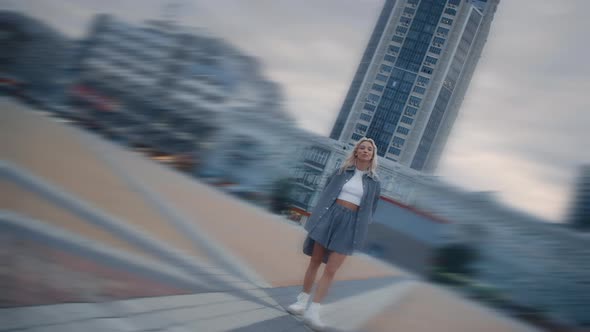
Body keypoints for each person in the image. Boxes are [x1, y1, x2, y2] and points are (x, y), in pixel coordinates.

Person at [287, 137, 381, 330]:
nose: (365, 151)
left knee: (331, 269)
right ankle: (301, 302)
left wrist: (360, 223)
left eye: (369, 149)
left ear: (372, 155)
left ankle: (314, 311)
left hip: (351, 224)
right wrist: (323, 214)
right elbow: (326, 191)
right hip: (330, 216)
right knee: (314, 261)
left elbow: (372, 209)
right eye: (361, 148)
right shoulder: (341, 172)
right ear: (356, 152)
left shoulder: (374, 182)